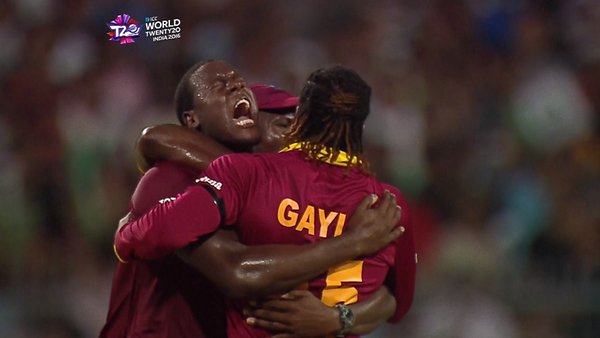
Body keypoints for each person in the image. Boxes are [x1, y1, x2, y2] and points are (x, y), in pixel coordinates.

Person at [102, 60, 403, 338]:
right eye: (287, 127)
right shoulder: (172, 179)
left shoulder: (291, 203)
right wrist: (352, 242)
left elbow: (387, 298)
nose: (300, 144)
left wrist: (337, 318)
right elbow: (237, 271)